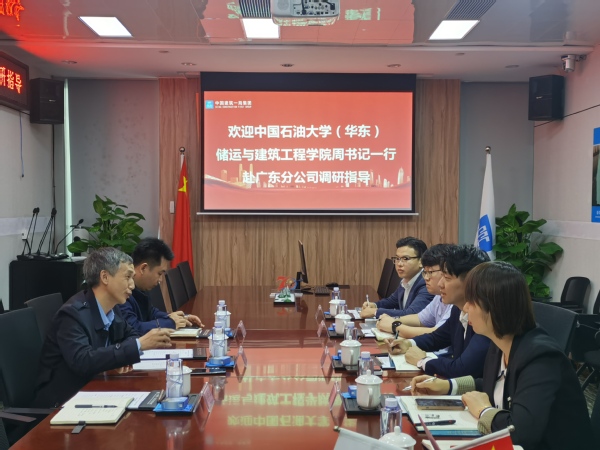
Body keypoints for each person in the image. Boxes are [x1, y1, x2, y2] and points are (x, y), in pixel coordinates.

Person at [409, 261, 594, 450]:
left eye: (471, 302)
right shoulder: (499, 343)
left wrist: (483, 410)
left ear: (495, 307)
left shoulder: (541, 357)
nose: (465, 308)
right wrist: (448, 386)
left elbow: (521, 433)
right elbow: (494, 384)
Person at [33, 248, 174, 408]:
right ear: (105, 277)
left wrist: (123, 354)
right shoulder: (72, 314)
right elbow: (82, 361)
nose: (132, 285)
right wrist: (136, 346)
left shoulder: (113, 308)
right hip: (61, 403)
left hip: (95, 389)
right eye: (127, 277)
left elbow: (131, 333)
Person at [386, 244, 490, 378]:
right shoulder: (457, 309)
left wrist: (422, 361)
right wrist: (408, 344)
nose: (440, 284)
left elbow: (461, 369)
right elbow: (437, 338)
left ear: (470, 282)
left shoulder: (485, 318)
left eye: (447, 278)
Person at [119, 237, 203, 334]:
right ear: (143, 268)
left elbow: (151, 312)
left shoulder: (141, 287)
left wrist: (178, 318)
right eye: (159, 273)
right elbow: (133, 327)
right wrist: (170, 322)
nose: (160, 280)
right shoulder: (123, 291)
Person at [377, 243, 452, 339]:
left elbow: (438, 333)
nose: (426, 278)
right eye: (425, 272)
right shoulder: (439, 295)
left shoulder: (455, 300)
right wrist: (393, 320)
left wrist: (394, 326)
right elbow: (420, 319)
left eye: (430, 272)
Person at [361, 237, 434, 319]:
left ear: (421, 261)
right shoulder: (406, 280)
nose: (399, 264)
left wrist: (375, 312)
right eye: (397, 258)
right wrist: (374, 305)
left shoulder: (426, 283)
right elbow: (392, 301)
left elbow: (412, 314)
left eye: (405, 258)